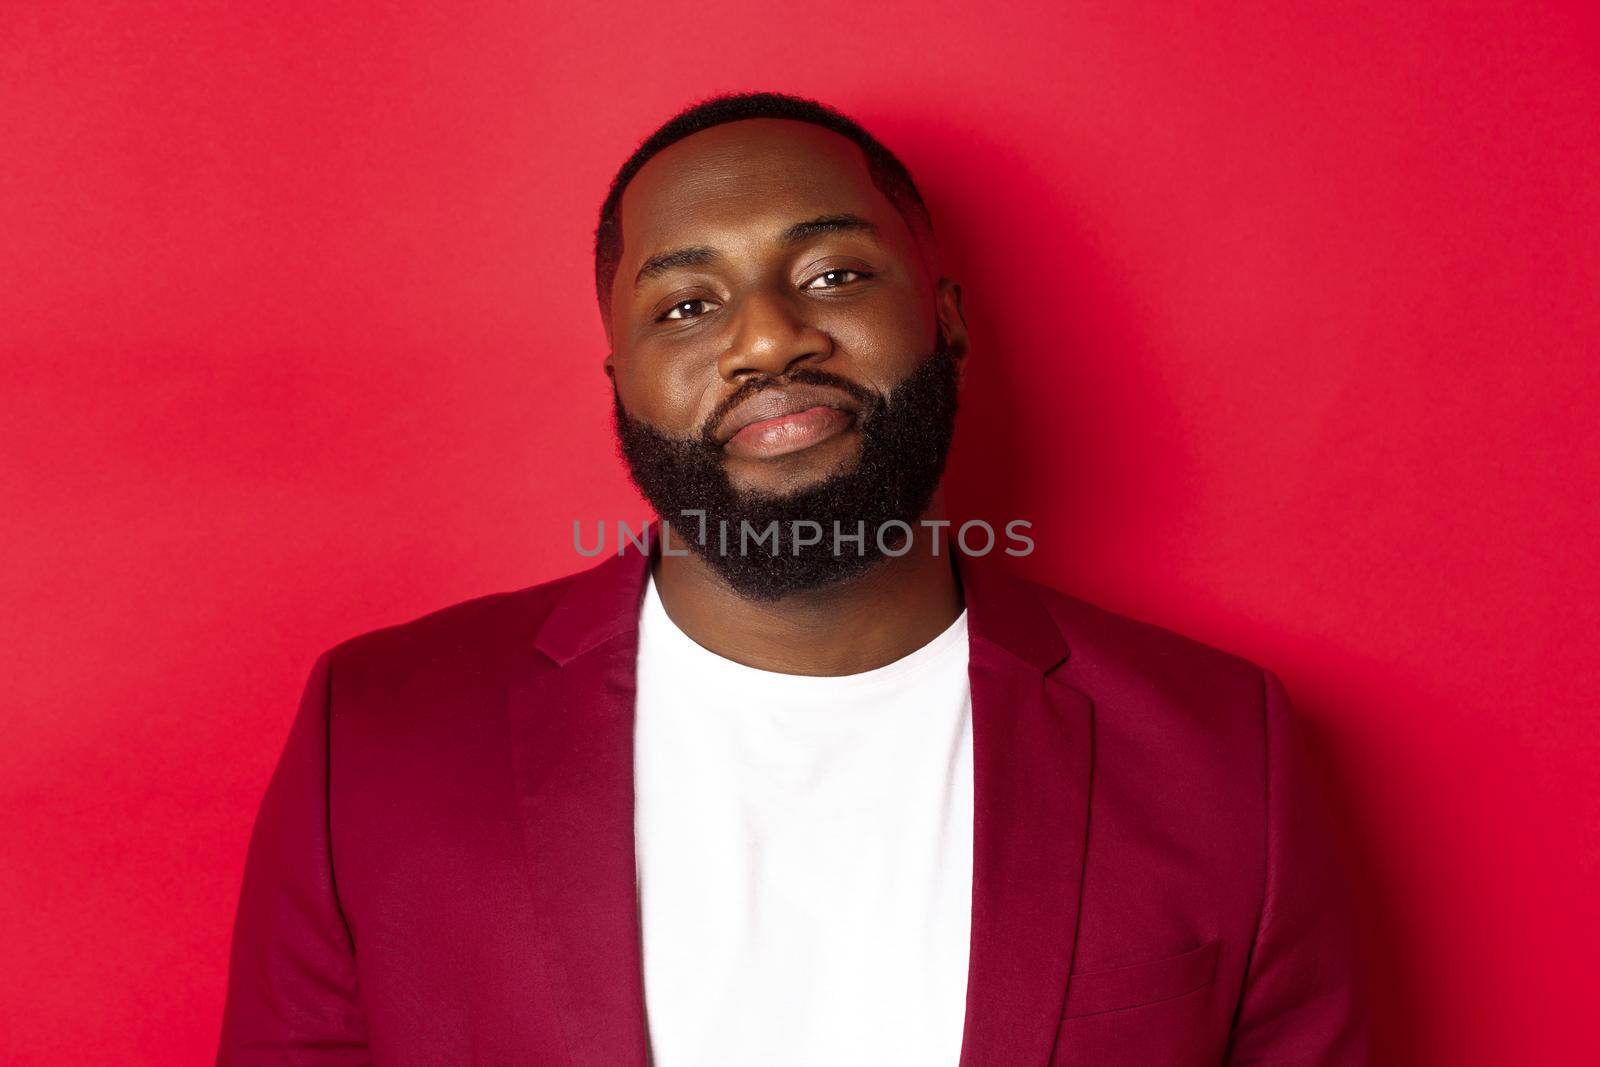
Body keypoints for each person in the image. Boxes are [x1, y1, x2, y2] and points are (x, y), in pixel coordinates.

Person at [217, 91, 1370, 1066]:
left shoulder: (1225, 753)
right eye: (687, 303)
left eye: (829, 274)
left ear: (946, 319)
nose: (767, 340)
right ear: (621, 378)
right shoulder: (371, 738)